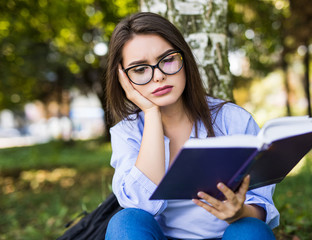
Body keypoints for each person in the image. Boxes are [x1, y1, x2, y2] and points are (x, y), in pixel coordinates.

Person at [105, 12, 279, 240]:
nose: (158, 76)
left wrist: (239, 211)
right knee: (125, 222)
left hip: (228, 235)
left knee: (251, 230)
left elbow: (260, 203)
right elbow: (138, 206)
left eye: (167, 60)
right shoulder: (126, 132)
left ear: (184, 59)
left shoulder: (234, 119)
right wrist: (151, 114)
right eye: (140, 69)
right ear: (123, 79)